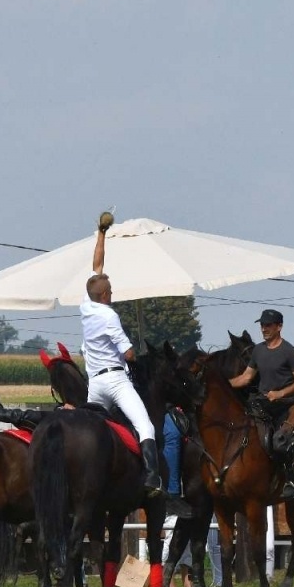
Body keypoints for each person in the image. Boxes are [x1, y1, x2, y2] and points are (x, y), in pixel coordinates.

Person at [81, 212, 162, 494]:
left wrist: (101, 232)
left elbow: (97, 263)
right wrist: (137, 353)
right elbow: (128, 354)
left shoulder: (86, 304)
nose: (112, 293)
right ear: (105, 296)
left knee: (91, 433)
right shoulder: (108, 315)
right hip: (115, 382)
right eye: (111, 291)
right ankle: (153, 478)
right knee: (145, 425)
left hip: (94, 384)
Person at [229, 309, 294, 424]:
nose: (263, 329)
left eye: (268, 325)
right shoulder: (258, 350)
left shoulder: (289, 351)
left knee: (276, 437)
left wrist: (280, 394)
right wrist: (223, 383)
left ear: (279, 327)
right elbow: (246, 377)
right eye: (262, 325)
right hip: (262, 402)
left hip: (285, 404)